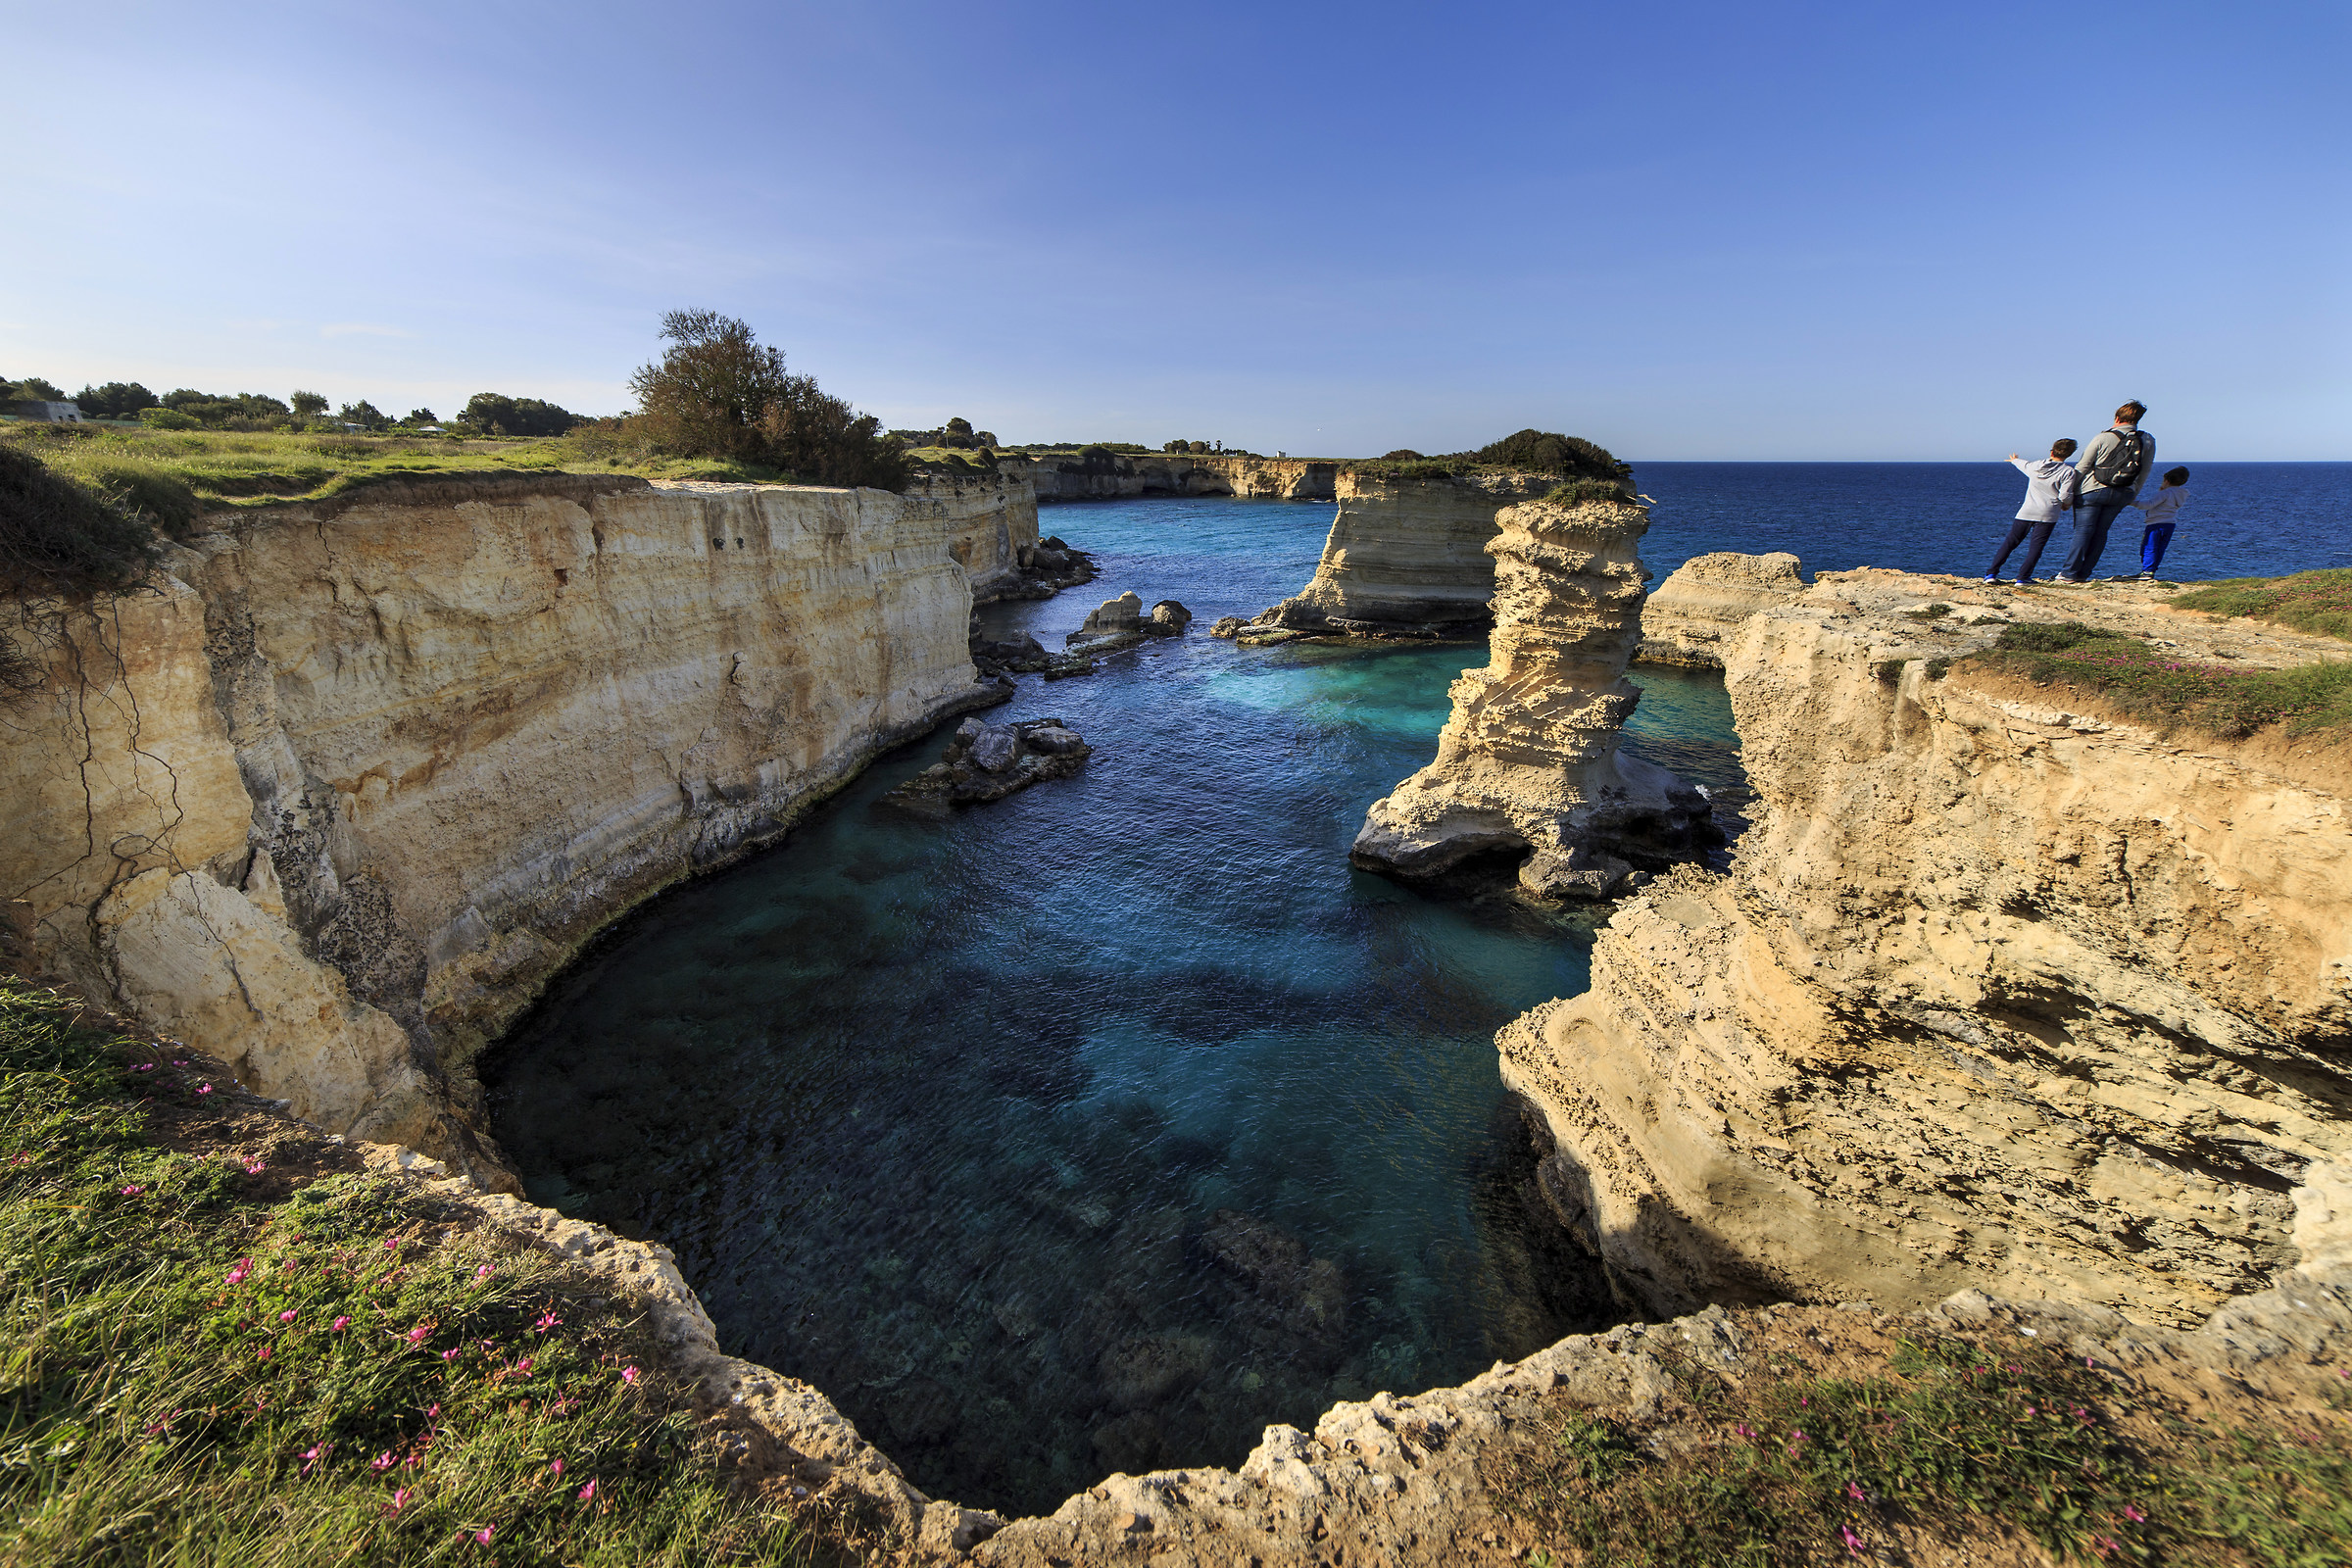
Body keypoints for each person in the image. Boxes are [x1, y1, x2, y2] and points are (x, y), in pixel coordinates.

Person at [2055, 401, 2155, 583]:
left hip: (2092, 490)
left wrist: (2068, 492)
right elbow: (2145, 470)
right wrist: (2133, 493)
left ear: (2117, 418)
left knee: (2083, 531)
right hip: (2123, 492)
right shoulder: (2147, 439)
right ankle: (2083, 574)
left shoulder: (2102, 437)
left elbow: (2082, 466)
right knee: (2101, 532)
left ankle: (2068, 574)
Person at [1985, 439, 2080, 583]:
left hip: (2027, 511)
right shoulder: (2068, 471)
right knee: (2036, 548)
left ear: (2052, 452)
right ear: (2069, 454)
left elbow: (2024, 465)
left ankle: (1991, 575)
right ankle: (2023, 578)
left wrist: (2014, 460)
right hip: (2048, 513)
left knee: (2010, 543)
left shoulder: (2036, 466)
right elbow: (2065, 495)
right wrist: (2066, 505)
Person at [2117, 466, 2191, 580]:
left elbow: (2149, 504)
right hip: (2170, 524)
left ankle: (2146, 572)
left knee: (2149, 547)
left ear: (2167, 480)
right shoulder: (2181, 494)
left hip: (2156, 524)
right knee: (2160, 548)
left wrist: (2131, 502)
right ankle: (2150, 571)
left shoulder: (2166, 493)